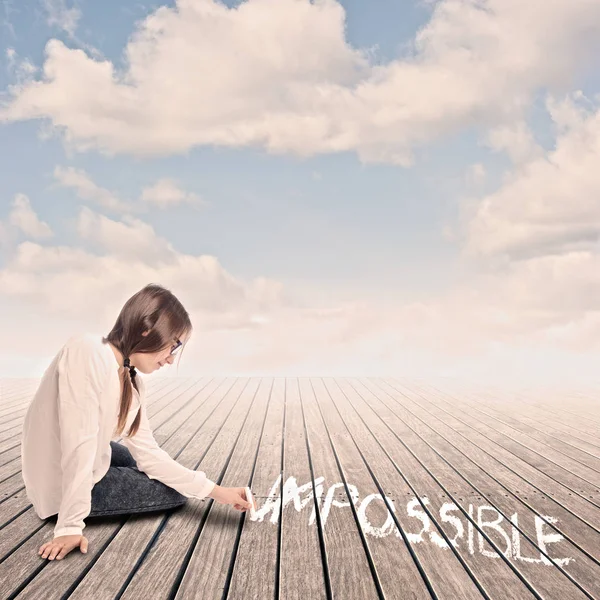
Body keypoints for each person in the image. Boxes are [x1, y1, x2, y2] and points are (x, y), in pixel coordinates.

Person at [21, 283, 257, 561]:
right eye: (173, 347)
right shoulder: (87, 350)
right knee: (174, 493)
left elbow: (148, 454)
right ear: (147, 330)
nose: (170, 360)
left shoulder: (131, 383)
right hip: (57, 487)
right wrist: (70, 526)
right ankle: (72, 510)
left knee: (143, 463)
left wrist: (219, 492)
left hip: (72, 459)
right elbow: (78, 444)